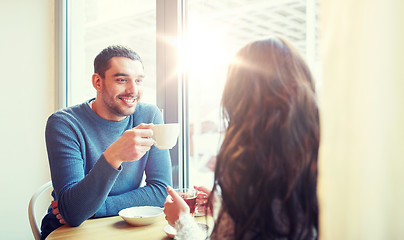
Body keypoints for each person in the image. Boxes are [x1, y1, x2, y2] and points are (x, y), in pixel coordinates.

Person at [164, 36, 319, 240]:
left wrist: (182, 220)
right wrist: (224, 207)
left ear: (239, 98)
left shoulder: (251, 163)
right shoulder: (313, 155)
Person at [40, 45, 172, 239]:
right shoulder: (64, 124)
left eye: (138, 81)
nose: (133, 90)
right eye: (122, 80)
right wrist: (114, 155)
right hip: (69, 231)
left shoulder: (148, 115)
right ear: (97, 82)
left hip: (125, 225)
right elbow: (74, 214)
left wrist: (96, 208)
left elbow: (161, 191)